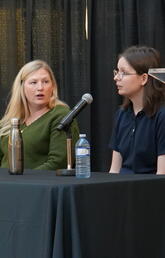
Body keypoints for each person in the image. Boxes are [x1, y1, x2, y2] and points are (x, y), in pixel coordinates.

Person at [0, 60, 79, 170]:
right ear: (21, 87)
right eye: (33, 82)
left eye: (46, 82)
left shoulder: (61, 115)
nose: (40, 87)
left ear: (53, 86)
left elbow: (58, 163)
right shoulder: (10, 120)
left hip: (36, 185)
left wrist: (24, 181)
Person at [109, 45, 165, 174]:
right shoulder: (121, 115)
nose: (116, 77)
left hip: (149, 190)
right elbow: (114, 170)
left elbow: (162, 175)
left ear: (144, 78)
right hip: (122, 189)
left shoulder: (161, 116)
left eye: (123, 73)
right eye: (117, 71)